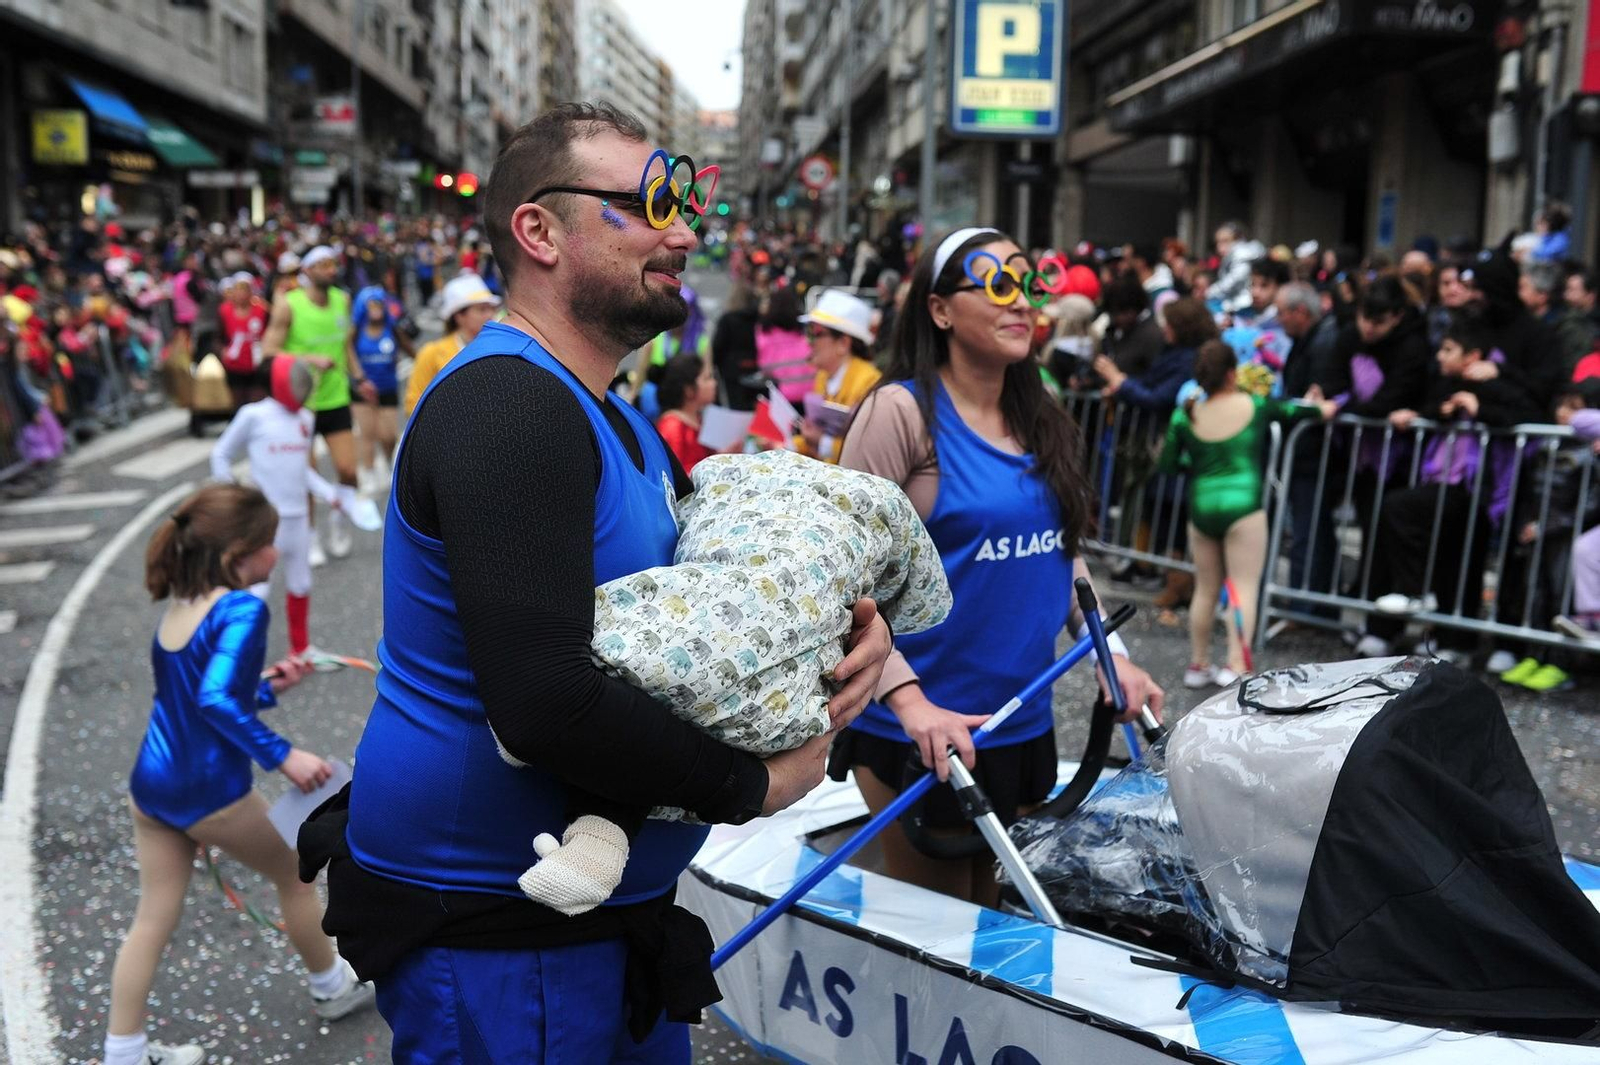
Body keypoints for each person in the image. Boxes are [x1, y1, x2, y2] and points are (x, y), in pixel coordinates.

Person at [306, 103, 891, 1063]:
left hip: (603, 924)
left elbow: (697, 608)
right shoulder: (509, 405)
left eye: (688, 198)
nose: (687, 232)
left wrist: (851, 632)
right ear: (539, 230)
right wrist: (751, 784)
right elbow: (543, 703)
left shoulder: (606, 409)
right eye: (653, 202)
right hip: (503, 935)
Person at [834, 226, 1164, 904]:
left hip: (1022, 725)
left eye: (1030, 283)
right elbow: (843, 578)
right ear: (941, 309)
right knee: (944, 935)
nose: (1023, 303)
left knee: (996, 924)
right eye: (999, 284)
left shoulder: (1038, 410)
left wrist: (1111, 653)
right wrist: (908, 699)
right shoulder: (900, 413)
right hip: (919, 731)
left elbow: (1061, 553)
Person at [104, 483, 373, 1065]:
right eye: (269, 543)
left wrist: (269, 687)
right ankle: (331, 986)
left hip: (151, 788)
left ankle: (122, 1054)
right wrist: (285, 756)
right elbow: (214, 701)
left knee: (150, 921)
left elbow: (201, 691)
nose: (277, 553)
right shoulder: (243, 608)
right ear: (239, 554)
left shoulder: (183, 601)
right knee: (297, 877)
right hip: (210, 793)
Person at [1161, 341, 1334, 688]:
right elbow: (1304, 414)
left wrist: (1197, 461)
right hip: (1244, 509)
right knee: (1243, 587)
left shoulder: (1185, 414)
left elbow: (1169, 462)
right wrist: (1321, 405)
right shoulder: (1255, 406)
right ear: (1231, 373)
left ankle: (1198, 664)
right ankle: (1236, 664)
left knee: (1205, 589)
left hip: (1202, 506)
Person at [1357, 311, 1524, 662]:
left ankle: (1442, 625)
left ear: (1473, 356)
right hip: (1440, 482)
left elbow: (1521, 415)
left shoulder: (1499, 385)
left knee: (1441, 545)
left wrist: (1480, 406)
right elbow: (1430, 407)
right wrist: (1437, 411)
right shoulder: (1445, 383)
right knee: (1435, 547)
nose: (1440, 356)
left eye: (1448, 349)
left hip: (1476, 491)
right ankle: (1415, 625)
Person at [211, 358, 342, 655]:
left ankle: (301, 649)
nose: (303, 387)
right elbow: (221, 454)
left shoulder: (306, 419)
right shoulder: (253, 415)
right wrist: (233, 496)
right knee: (257, 589)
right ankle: (236, 656)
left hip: (298, 519)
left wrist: (330, 493)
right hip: (265, 521)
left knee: (301, 582)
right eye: (297, 381)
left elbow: (301, 470)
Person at [261, 245, 374, 562]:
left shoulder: (343, 299)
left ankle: (338, 522)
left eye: (333, 264)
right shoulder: (288, 305)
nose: (331, 269)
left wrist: (360, 378)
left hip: (335, 398)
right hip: (300, 404)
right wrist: (307, 358)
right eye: (322, 264)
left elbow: (346, 346)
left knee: (348, 470)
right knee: (304, 477)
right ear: (307, 271)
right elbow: (268, 352)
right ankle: (310, 538)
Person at [795, 288, 881, 463]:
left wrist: (820, 441)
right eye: (808, 332)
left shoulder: (869, 382)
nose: (809, 342)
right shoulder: (823, 376)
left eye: (816, 333)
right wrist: (786, 447)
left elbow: (866, 451)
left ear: (843, 343)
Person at [402, 271, 500, 420]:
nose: (489, 315)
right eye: (481, 309)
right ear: (459, 316)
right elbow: (413, 402)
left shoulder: (499, 348)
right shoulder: (432, 353)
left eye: (491, 308)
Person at [350, 284, 412, 492]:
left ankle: (387, 462)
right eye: (371, 305)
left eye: (379, 304)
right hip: (362, 392)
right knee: (367, 433)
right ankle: (367, 473)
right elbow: (346, 351)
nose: (376, 309)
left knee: (387, 436)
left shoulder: (392, 328)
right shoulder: (357, 331)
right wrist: (359, 378)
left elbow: (412, 351)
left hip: (388, 389)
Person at [654, 353, 717, 473]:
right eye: (707, 378)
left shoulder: (699, 419)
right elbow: (673, 475)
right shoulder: (672, 426)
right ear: (688, 390)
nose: (713, 383)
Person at [216, 272, 268, 410]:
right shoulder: (224, 311)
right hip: (234, 365)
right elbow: (217, 336)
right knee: (238, 404)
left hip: (257, 365)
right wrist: (222, 350)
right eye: (238, 289)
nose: (241, 294)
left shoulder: (262, 309)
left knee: (257, 403)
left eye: (245, 289)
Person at [756, 286, 812, 402]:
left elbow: (765, 367)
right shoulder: (803, 331)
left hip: (781, 395)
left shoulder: (765, 332)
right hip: (810, 394)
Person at [709, 283, 761, 410]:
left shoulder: (728, 319)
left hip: (731, 368)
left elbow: (718, 345)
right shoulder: (758, 318)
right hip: (755, 365)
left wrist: (715, 364)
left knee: (734, 405)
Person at [1209, 221, 1265, 314]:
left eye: (1225, 241)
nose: (1219, 247)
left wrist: (1211, 291)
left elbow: (1235, 279)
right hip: (1236, 302)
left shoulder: (1241, 255)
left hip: (1241, 305)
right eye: (1218, 242)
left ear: (1237, 240)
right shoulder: (1233, 256)